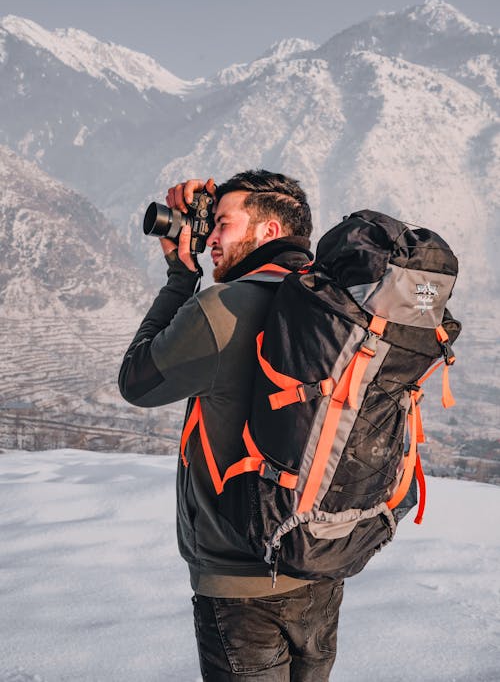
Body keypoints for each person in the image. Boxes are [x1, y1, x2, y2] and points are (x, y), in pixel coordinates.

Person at [119, 170, 344, 681]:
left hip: (241, 587)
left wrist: (181, 277)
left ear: (267, 231)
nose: (212, 239)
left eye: (222, 224)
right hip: (320, 566)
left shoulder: (221, 309)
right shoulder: (335, 306)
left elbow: (136, 381)